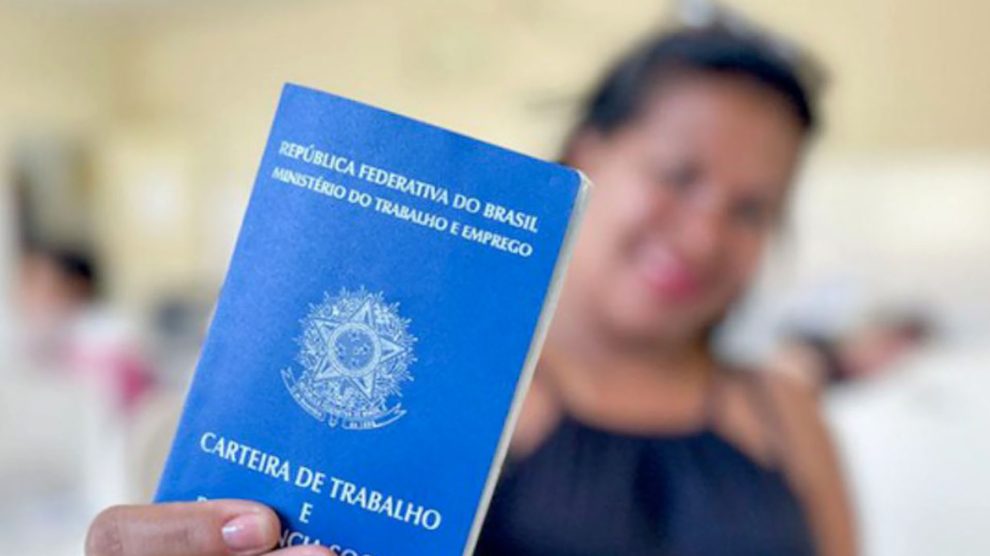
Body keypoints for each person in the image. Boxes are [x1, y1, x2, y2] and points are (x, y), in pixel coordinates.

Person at [84, 22, 856, 556]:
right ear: (588, 155)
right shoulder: (434, 389)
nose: (704, 236)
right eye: (678, 176)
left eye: (751, 210)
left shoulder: (787, 415)